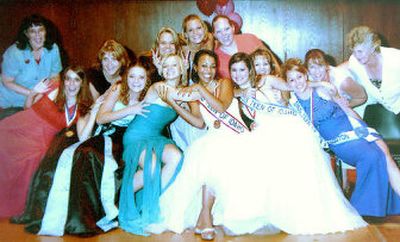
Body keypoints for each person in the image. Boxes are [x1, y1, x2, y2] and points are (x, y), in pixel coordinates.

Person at [11, 59, 151, 236]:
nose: (136, 81)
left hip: (125, 140)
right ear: (126, 77)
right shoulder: (118, 89)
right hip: (106, 133)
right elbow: (101, 118)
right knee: (80, 154)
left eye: (141, 77)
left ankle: (93, 214)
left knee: (91, 157)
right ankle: (73, 216)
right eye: (132, 76)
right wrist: (130, 110)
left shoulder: (149, 96)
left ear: (147, 80)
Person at [283, 58, 400, 217]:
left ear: (305, 76)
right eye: (291, 79)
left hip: (354, 130)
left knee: (381, 154)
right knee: (370, 156)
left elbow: (346, 109)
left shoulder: (322, 90)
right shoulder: (292, 104)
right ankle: (364, 208)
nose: (297, 82)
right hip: (338, 141)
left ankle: (386, 207)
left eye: (299, 77)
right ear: (287, 83)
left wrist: (362, 126)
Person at [0, 66, 93, 218]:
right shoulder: (53, 88)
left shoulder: (82, 108)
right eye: (68, 79)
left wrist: (94, 113)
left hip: (41, 140)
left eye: (76, 80)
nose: (71, 84)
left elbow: (84, 137)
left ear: (82, 83)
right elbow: (27, 108)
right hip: (21, 125)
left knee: (31, 158)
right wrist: (33, 92)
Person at [118, 54, 194, 235]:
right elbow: (181, 96)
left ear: (182, 67)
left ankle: (150, 204)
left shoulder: (183, 92)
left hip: (155, 137)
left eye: (174, 65)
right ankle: (122, 199)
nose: (169, 69)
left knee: (176, 157)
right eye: (165, 66)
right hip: (136, 136)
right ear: (161, 69)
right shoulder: (158, 87)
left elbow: (196, 118)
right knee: (151, 167)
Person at [0, 14, 62, 117]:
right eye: (32, 31)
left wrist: (41, 96)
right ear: (26, 34)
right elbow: (7, 81)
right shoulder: (14, 53)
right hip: (8, 101)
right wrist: (32, 93)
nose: (38, 35)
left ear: (46, 31)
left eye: (41, 30)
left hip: (35, 100)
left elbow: (55, 77)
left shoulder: (53, 49)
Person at [346, 26, 400, 138]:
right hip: (378, 108)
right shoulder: (354, 62)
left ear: (373, 47)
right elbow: (341, 69)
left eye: (360, 51)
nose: (356, 56)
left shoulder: (395, 59)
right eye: (353, 51)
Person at [212, 15, 271, 79]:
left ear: (233, 28)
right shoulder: (215, 57)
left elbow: (273, 63)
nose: (224, 34)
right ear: (214, 35)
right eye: (219, 32)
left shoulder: (250, 39)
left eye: (227, 29)